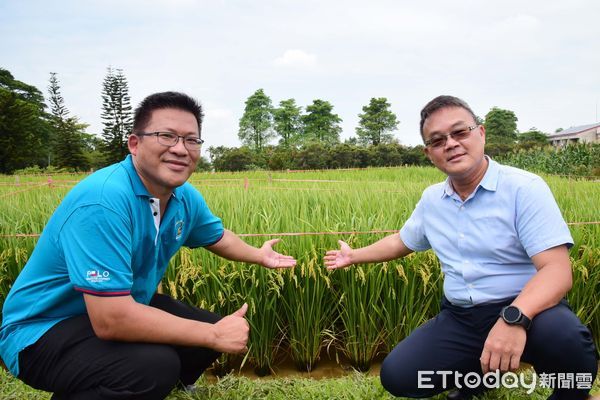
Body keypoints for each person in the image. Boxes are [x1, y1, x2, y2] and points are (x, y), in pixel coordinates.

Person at [0, 91, 296, 399]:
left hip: (114, 308)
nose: (180, 149)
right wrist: (213, 335)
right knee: (156, 365)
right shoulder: (103, 201)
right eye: (166, 136)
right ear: (135, 144)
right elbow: (111, 320)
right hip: (40, 332)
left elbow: (218, 237)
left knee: (201, 331)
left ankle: (154, 389)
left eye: (191, 140)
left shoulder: (183, 197)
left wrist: (259, 256)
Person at [324, 95, 598, 399]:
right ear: (429, 153)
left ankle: (570, 394)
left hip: (528, 309)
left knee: (568, 344)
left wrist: (514, 318)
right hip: (462, 317)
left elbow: (557, 272)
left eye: (460, 132)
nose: (450, 144)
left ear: (480, 133)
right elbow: (402, 241)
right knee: (400, 376)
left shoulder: (524, 189)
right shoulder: (432, 200)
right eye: (438, 140)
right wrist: (353, 255)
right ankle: (478, 379)